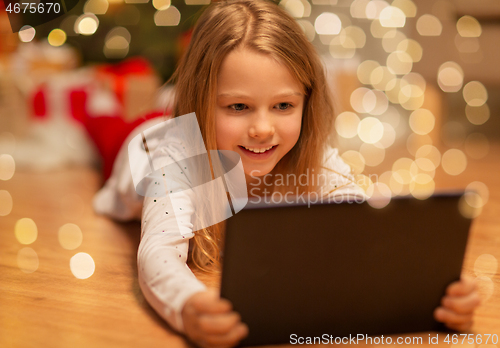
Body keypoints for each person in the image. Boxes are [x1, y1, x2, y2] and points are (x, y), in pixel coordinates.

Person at [93, 1, 481, 347]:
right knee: (103, 128)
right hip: (138, 147)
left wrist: (435, 289)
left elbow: (366, 226)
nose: (263, 128)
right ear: (200, 104)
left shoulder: (316, 159)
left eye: (282, 105)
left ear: (306, 103)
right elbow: (158, 252)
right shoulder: (174, 158)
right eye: (239, 106)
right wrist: (188, 304)